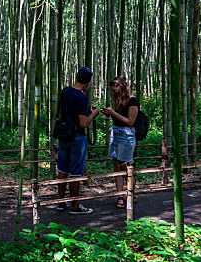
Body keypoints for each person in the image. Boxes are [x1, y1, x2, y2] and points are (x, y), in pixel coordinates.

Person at [57, 67, 100, 214]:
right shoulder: (82, 98)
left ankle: (61, 203)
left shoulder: (65, 91)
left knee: (62, 169)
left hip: (63, 135)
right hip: (76, 137)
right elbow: (83, 123)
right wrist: (93, 114)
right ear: (88, 82)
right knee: (75, 172)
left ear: (76, 77)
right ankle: (74, 206)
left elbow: (68, 111)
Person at [100, 77, 139, 209]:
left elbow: (130, 121)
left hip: (126, 135)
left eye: (115, 89)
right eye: (112, 90)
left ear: (122, 87)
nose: (113, 92)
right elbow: (119, 118)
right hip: (116, 133)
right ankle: (120, 195)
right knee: (116, 164)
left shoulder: (133, 101)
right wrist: (109, 113)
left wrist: (113, 113)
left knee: (125, 165)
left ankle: (131, 193)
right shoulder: (117, 101)